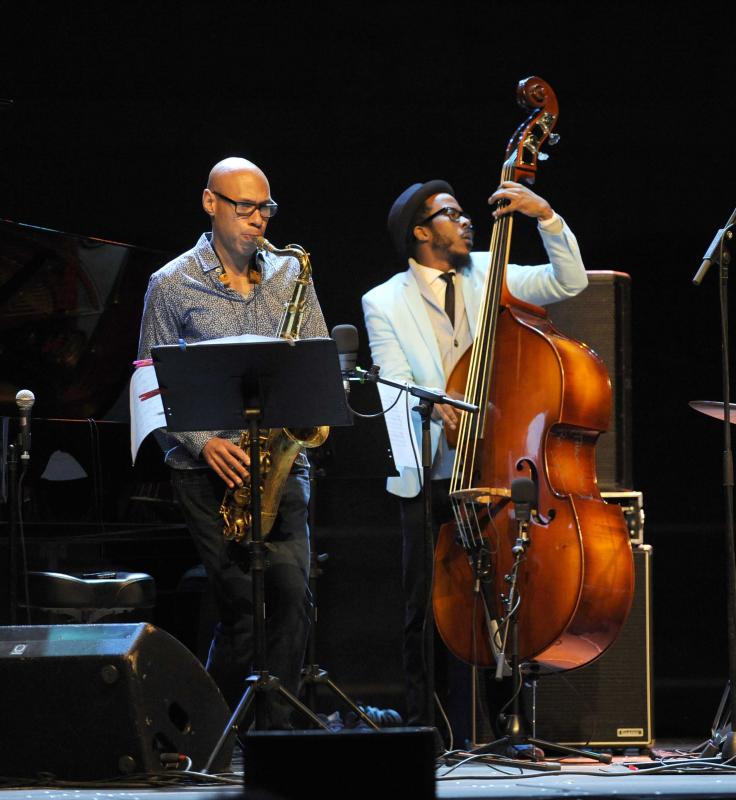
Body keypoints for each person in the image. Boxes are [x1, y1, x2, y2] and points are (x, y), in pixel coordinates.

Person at [361, 178, 588, 743]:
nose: (467, 222)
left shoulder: (491, 269)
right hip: (433, 466)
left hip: (501, 464)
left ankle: (510, 728)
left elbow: (569, 280)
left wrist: (545, 213)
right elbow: (393, 380)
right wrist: (436, 406)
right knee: (426, 609)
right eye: (452, 214)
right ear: (420, 231)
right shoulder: (383, 300)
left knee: (504, 597)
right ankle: (425, 732)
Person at [137, 157, 328, 727]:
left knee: (291, 595)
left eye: (264, 207)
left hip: (280, 463)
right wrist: (202, 443)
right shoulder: (170, 284)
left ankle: (266, 733)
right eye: (243, 206)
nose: (257, 219)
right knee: (243, 605)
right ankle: (210, 729)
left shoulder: (292, 273)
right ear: (210, 202)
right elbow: (149, 381)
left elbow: (315, 353)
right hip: (209, 473)